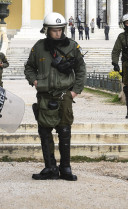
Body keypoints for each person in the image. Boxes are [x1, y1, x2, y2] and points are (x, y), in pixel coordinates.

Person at [25, 12, 86, 181]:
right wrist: (34, 81)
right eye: (54, 30)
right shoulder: (38, 48)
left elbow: (81, 69)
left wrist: (75, 91)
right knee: (45, 131)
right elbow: (29, 67)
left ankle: (65, 168)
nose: (58, 33)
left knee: (64, 130)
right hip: (45, 96)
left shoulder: (72, 46)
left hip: (64, 95)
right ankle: (50, 168)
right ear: (47, 30)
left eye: (60, 29)